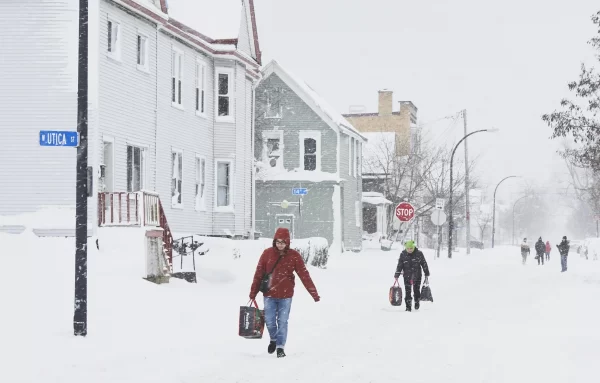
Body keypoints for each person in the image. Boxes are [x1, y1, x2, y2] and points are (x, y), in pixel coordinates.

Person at [249, 228, 320, 358]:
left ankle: (280, 347)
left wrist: (314, 293)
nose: (280, 244)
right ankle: (274, 339)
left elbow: (304, 275)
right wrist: (253, 292)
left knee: (282, 321)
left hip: (286, 295)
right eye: (278, 241)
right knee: (270, 321)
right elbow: (258, 273)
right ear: (274, 241)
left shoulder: (294, 256)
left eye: (283, 242)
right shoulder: (267, 254)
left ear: (287, 242)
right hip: (269, 294)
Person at [393, 240, 430, 312]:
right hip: (407, 275)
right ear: (406, 248)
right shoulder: (403, 254)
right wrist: (397, 274)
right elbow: (400, 265)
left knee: (416, 290)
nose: (409, 250)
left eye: (411, 248)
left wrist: (426, 273)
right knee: (408, 292)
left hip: (417, 275)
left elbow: (424, 263)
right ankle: (408, 306)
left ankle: (417, 302)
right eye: (408, 248)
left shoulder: (419, 253)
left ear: (414, 247)